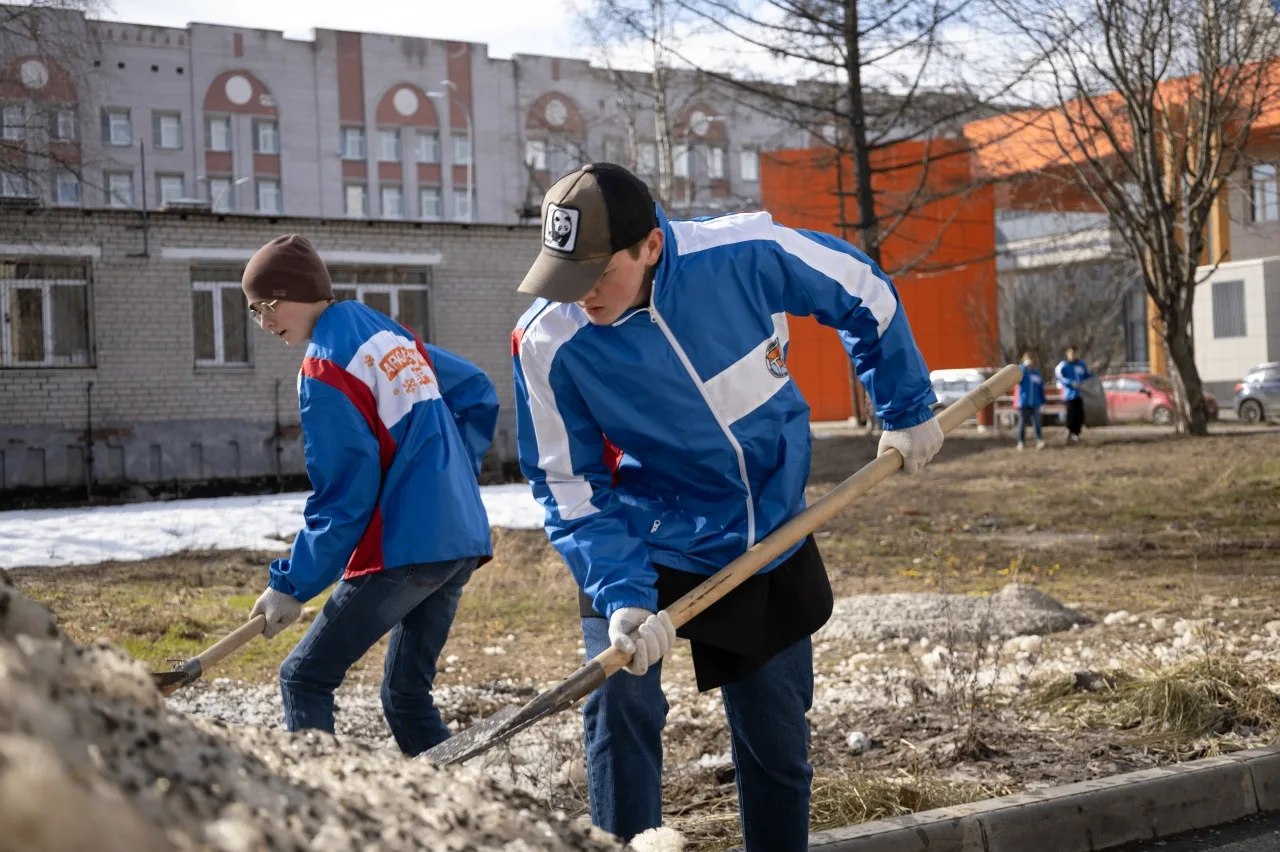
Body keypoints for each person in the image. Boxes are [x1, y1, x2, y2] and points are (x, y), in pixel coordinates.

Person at [510, 163, 943, 850]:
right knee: (621, 701)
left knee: (775, 734)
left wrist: (907, 405)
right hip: (639, 537)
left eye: (598, 271)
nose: (581, 293)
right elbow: (568, 485)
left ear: (650, 246)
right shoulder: (548, 341)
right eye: (567, 273)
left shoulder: (745, 254)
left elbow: (862, 291)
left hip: (761, 531)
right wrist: (622, 594)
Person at [241, 234, 497, 757]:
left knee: (303, 678)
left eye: (266, 307)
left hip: (407, 546)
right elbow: (475, 388)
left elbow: (344, 497)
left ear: (298, 292)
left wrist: (292, 584)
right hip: (459, 538)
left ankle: (321, 818)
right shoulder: (384, 333)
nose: (265, 324)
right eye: (254, 313)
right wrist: (449, 477)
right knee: (405, 694)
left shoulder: (326, 365)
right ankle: (466, 815)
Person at [1055, 345, 1093, 445]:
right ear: (1067, 354)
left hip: (1080, 394)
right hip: (1069, 395)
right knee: (1071, 414)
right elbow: (1059, 377)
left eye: (1075, 353)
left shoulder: (1081, 365)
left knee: (1079, 415)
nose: (1073, 355)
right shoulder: (1064, 365)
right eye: (1071, 353)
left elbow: (1088, 376)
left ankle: (1076, 434)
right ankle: (1069, 431)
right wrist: (1070, 382)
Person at [1015, 351, 1046, 450]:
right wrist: (1023, 368)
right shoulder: (1020, 370)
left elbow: (1040, 388)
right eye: (1029, 358)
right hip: (1023, 402)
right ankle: (1021, 441)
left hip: (1035, 402)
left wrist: (1043, 400)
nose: (1031, 361)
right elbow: (1016, 381)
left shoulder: (1036, 373)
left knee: (1037, 422)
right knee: (1022, 423)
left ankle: (1039, 440)